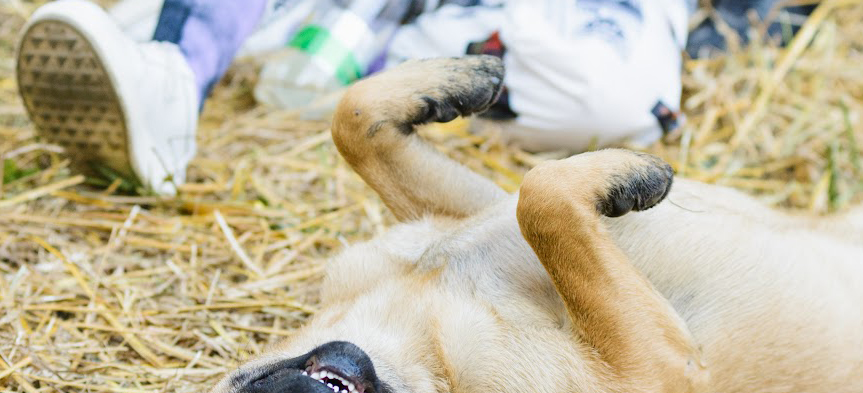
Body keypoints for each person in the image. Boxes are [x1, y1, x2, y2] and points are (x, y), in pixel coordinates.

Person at [15, 0, 812, 195]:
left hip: (550, 27)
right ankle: (167, 79)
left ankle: (203, 58)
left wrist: (739, 35)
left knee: (606, 98)